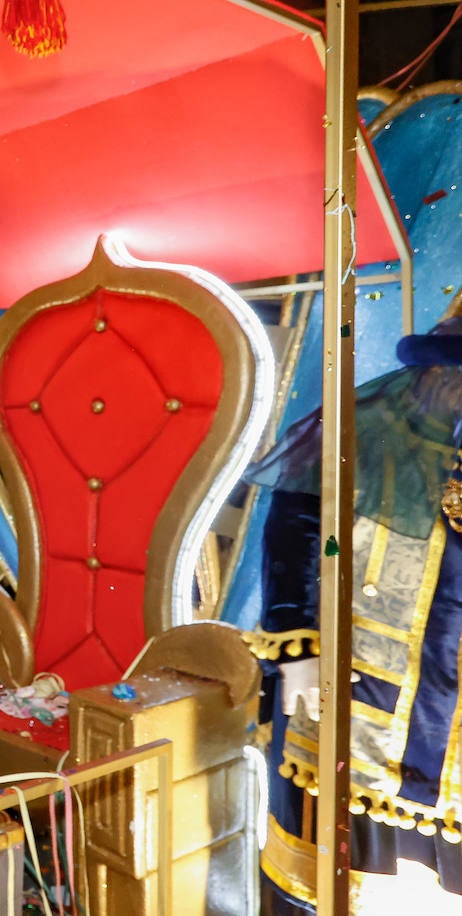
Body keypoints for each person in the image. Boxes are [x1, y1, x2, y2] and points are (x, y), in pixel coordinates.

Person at [246, 314, 462, 911]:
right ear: (436, 372)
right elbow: (291, 543)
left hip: (448, 725)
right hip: (346, 695)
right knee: (323, 864)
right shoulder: (354, 436)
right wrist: (299, 659)